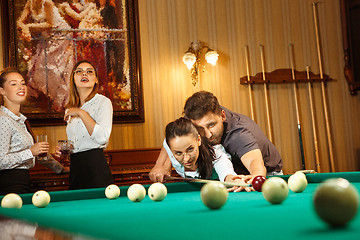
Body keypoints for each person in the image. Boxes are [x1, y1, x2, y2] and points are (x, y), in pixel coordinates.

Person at [150, 91, 283, 191]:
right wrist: (161, 164)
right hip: (236, 176)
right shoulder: (193, 119)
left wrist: (256, 177)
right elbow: (176, 133)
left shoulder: (238, 134)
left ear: (222, 116)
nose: (207, 135)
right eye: (199, 128)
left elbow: (255, 162)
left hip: (265, 173)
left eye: (211, 125)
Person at [0, 68, 63, 195]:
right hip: (9, 183)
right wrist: (31, 152)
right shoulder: (3, 119)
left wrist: (61, 169)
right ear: (2, 91)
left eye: (22, 83)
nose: (21, 87)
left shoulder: (20, 120)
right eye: (13, 84)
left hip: (22, 181)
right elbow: (1, 161)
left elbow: (38, 155)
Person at [56, 60, 114, 190]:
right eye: (79, 72)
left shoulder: (103, 102)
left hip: (95, 167)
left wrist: (81, 113)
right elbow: (78, 143)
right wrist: (64, 150)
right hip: (75, 168)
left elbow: (102, 138)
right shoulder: (70, 108)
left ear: (96, 80)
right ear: (73, 79)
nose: (84, 74)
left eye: (89, 72)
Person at [17, 0, 74, 112]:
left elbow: (50, 24)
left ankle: (59, 101)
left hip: (60, 34)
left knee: (56, 68)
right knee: (41, 66)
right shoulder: (30, 3)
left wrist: (28, 26)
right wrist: (24, 28)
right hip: (47, 35)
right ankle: (47, 98)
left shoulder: (47, 3)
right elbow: (19, 21)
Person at [165, 117, 241, 184]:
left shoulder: (216, 153)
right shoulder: (169, 146)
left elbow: (226, 171)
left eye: (190, 149)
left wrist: (232, 180)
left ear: (198, 140)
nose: (186, 159)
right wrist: (161, 165)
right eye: (178, 153)